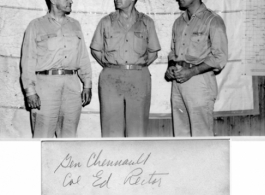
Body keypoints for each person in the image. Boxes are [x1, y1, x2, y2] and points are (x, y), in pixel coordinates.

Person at [21, 0, 92, 138]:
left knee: (69, 137)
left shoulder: (75, 25)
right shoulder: (36, 25)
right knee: (43, 137)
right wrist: (30, 91)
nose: (71, 1)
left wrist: (87, 84)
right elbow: (28, 60)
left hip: (72, 85)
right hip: (45, 86)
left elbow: (83, 56)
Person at [90, 0, 161, 137]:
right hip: (111, 78)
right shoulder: (106, 22)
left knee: (137, 129)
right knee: (111, 129)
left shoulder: (147, 22)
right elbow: (96, 50)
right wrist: (110, 66)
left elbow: (153, 53)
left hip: (138, 77)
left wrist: (137, 66)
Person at [166, 0, 228, 136]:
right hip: (178, 82)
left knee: (201, 135)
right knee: (181, 134)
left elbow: (220, 57)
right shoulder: (178, 22)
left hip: (199, 81)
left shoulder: (213, 20)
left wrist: (192, 71)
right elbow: (173, 52)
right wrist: (171, 66)